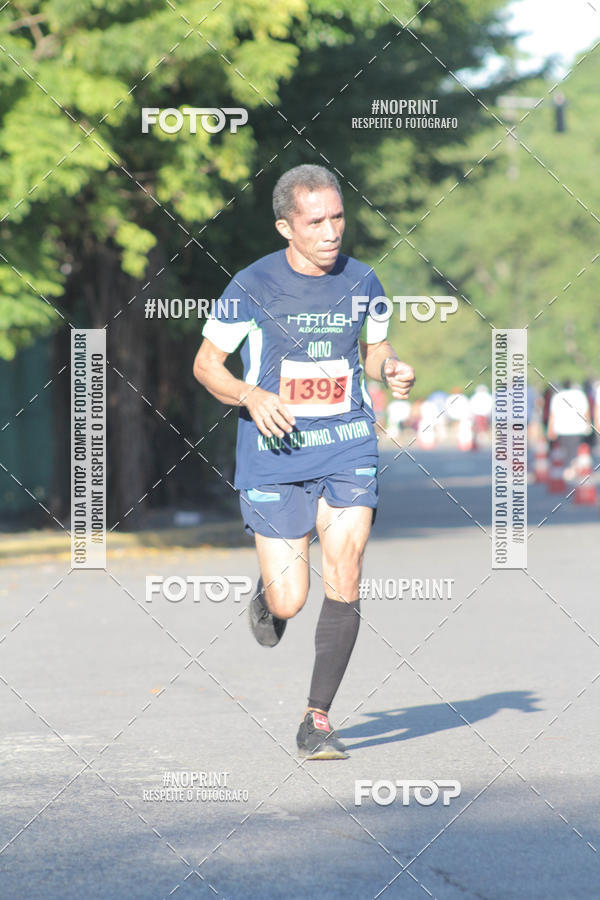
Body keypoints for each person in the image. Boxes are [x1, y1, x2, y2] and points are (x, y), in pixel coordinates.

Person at [193, 165, 415, 760]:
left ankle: (316, 719)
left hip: (348, 441)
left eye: (338, 216)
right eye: (316, 221)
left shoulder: (363, 280)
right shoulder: (251, 285)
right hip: (275, 450)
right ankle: (268, 597)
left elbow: (373, 350)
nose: (331, 231)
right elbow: (207, 366)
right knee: (290, 598)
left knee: (346, 566)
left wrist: (390, 368)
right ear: (286, 226)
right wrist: (252, 394)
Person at [547, 380, 592, 472]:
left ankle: (568, 469)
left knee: (565, 452)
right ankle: (573, 469)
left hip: (562, 429)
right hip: (577, 428)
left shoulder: (558, 396)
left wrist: (550, 429)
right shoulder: (580, 395)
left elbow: (552, 415)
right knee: (575, 451)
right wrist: (588, 424)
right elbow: (586, 412)